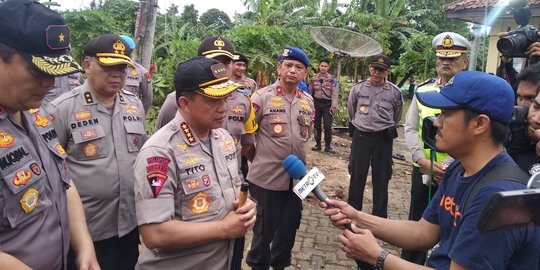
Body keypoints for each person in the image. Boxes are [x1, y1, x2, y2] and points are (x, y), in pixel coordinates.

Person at [323, 71, 540, 270]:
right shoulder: (459, 168)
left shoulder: (497, 196)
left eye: (446, 114)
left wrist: (378, 257)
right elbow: (423, 232)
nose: (436, 122)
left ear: (480, 124)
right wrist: (357, 217)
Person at [0, 0, 99, 269]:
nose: (50, 83)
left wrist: (83, 244)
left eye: (55, 72)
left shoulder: (37, 114)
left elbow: (64, 183)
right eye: (38, 71)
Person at [133, 56, 256, 269]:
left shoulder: (223, 139)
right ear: (185, 104)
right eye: (212, 100)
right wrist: (224, 229)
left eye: (225, 98)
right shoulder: (160, 152)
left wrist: (246, 204)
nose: (223, 108)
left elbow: (235, 185)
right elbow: (154, 233)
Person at [48, 34, 147, 270]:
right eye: (108, 67)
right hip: (86, 232)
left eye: (122, 67)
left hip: (128, 226)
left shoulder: (134, 105)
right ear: (87, 65)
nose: (117, 74)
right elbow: (51, 174)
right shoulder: (62, 109)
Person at [402, 31, 470, 265]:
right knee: (416, 224)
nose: (445, 63)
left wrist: (448, 167)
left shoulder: (472, 95)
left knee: (454, 228)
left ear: (465, 62)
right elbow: (410, 128)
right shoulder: (424, 91)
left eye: (452, 59)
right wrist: (423, 161)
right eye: (441, 58)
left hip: (459, 174)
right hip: (423, 171)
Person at [245, 46, 314, 270]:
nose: (293, 71)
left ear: (305, 73)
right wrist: (259, 161)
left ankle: (280, 265)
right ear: (279, 68)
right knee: (263, 233)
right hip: (266, 180)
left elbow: (305, 139)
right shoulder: (261, 98)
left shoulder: (308, 102)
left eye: (299, 67)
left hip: (297, 182)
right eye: (288, 65)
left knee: (288, 231)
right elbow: (247, 139)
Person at [347, 54, 402, 218]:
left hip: (383, 139)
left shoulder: (395, 92)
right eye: (374, 68)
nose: (377, 72)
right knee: (357, 175)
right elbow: (352, 110)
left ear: (386, 71)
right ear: (370, 68)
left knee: (382, 177)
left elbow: (396, 116)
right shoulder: (358, 89)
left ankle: (379, 216)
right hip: (361, 137)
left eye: (381, 70)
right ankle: (352, 213)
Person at [309, 58, 338, 153]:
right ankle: (318, 144)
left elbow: (334, 93)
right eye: (322, 66)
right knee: (317, 125)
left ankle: (328, 146)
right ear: (319, 66)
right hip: (316, 104)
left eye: (325, 66)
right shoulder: (314, 79)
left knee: (327, 125)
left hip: (327, 105)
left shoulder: (332, 80)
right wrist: (310, 105)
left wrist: (333, 106)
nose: (323, 68)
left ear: (328, 67)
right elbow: (310, 92)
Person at [120, 35, 154, 114]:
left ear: (131, 52)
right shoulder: (105, 70)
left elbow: (148, 98)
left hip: (130, 115)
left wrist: (138, 115)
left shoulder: (141, 72)